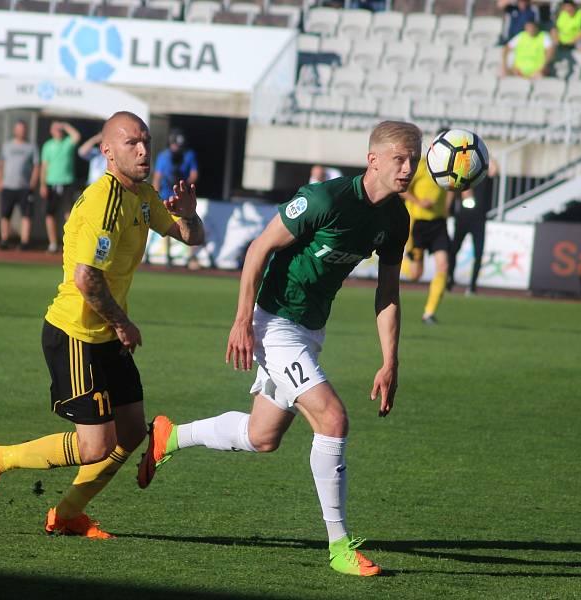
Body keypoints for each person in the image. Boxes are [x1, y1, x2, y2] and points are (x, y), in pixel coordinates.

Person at [137, 120, 421, 577]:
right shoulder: (326, 199)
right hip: (274, 325)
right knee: (333, 418)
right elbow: (259, 248)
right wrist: (242, 322)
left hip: (309, 331)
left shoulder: (395, 218)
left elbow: (387, 291)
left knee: (261, 437)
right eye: (399, 159)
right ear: (374, 160)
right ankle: (340, 546)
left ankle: (170, 436)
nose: (408, 168)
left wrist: (390, 361)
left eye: (415, 159)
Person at [0, 111, 205, 538]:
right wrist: (124, 322)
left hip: (106, 333)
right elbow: (86, 278)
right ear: (107, 151)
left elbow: (191, 237)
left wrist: (190, 214)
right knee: (96, 446)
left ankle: (68, 514)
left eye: (146, 141)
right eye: (132, 143)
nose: (144, 150)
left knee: (130, 433)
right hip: (75, 333)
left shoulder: (144, 195)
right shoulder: (101, 202)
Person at [401, 151, 453, 324]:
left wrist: (447, 208)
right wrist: (418, 202)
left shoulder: (451, 168)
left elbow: (452, 188)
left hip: (438, 224)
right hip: (418, 224)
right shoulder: (422, 165)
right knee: (415, 275)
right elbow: (403, 189)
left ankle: (429, 313)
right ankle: (406, 258)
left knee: (444, 266)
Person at [447, 160, 499, 296]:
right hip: (463, 218)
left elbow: (494, 170)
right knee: (454, 249)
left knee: (478, 253)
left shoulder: (484, 175)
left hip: (479, 219)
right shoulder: (464, 176)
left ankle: (472, 285)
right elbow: (455, 188)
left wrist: (486, 154)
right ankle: (449, 278)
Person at [153, 128, 199, 268]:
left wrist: (184, 184)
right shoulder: (163, 157)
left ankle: (191, 257)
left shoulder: (189, 155)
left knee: (191, 224)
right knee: (166, 225)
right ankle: (167, 256)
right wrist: (155, 197)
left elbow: (194, 174)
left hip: (182, 195)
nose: (177, 148)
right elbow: (157, 178)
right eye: (175, 145)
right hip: (167, 195)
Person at [0, 119, 38, 250]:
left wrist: (33, 183)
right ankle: (4, 240)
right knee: (5, 214)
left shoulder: (31, 147)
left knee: (26, 215)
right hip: (8, 186)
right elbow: (2, 164)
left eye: (23, 129)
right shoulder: (7, 146)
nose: (21, 131)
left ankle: (24, 242)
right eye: (19, 129)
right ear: (15, 130)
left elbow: (37, 166)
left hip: (24, 187)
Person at [40, 121, 81, 253]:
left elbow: (77, 136)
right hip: (51, 182)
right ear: (51, 131)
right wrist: (43, 184)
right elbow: (44, 166)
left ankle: (70, 242)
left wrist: (64, 125)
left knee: (68, 213)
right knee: (50, 213)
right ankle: (52, 243)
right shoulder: (47, 145)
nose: (58, 131)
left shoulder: (67, 143)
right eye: (55, 129)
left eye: (59, 129)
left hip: (67, 182)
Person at [551, 0, 581, 78]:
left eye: (570, 8)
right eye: (566, 9)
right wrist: (556, 40)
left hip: (575, 40)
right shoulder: (562, 15)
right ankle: (554, 69)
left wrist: (571, 42)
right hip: (562, 41)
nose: (569, 11)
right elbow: (554, 30)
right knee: (550, 45)